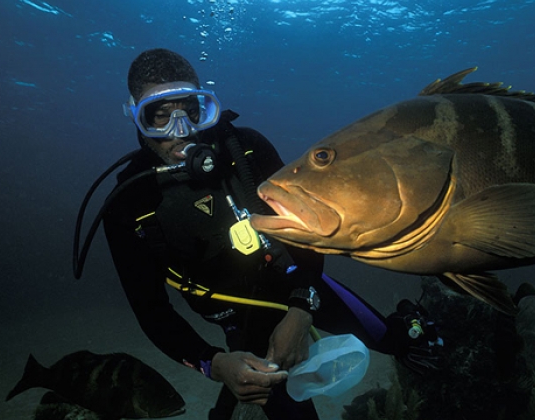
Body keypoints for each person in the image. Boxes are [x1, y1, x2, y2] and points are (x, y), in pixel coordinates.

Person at [101, 48, 439, 420]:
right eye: (160, 115)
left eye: (192, 111)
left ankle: (411, 323)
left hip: (299, 283)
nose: (181, 131)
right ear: (135, 115)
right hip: (237, 319)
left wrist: (301, 310)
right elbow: (151, 311)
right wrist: (214, 364)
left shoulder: (246, 149)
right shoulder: (127, 204)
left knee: (398, 341)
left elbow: (306, 229)